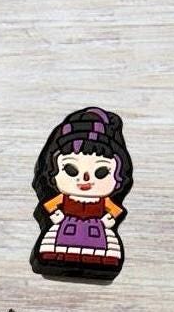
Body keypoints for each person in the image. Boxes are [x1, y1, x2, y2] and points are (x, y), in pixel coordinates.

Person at [31, 107, 133, 281]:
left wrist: (108, 219)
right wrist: (55, 215)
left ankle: (99, 259)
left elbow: (116, 210)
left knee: (102, 247)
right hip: (66, 226)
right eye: (71, 170)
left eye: (101, 172)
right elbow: (48, 206)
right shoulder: (62, 197)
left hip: (97, 228)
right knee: (57, 244)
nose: (85, 179)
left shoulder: (104, 201)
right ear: (52, 170)